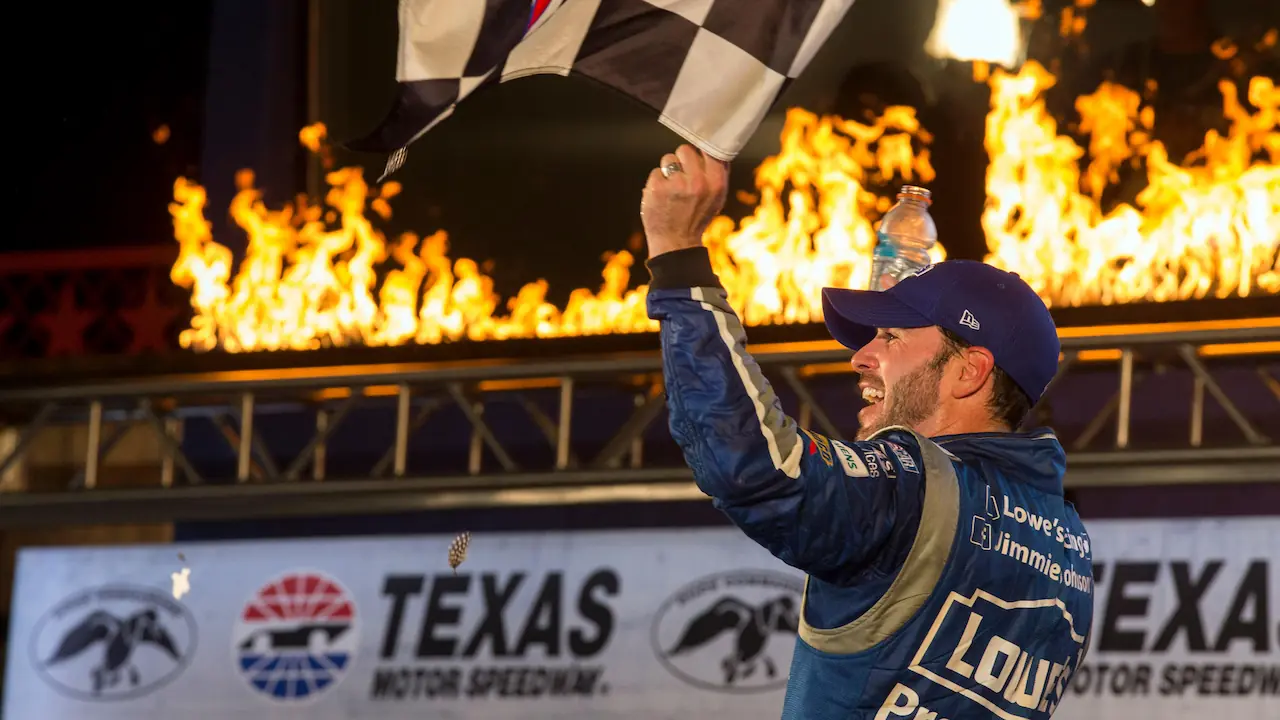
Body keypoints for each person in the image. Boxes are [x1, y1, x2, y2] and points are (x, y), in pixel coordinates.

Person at [640, 145, 1095, 719]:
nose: (862, 356)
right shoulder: (1067, 542)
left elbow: (751, 463)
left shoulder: (920, 486)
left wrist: (678, 259)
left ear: (969, 371)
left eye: (893, 338)